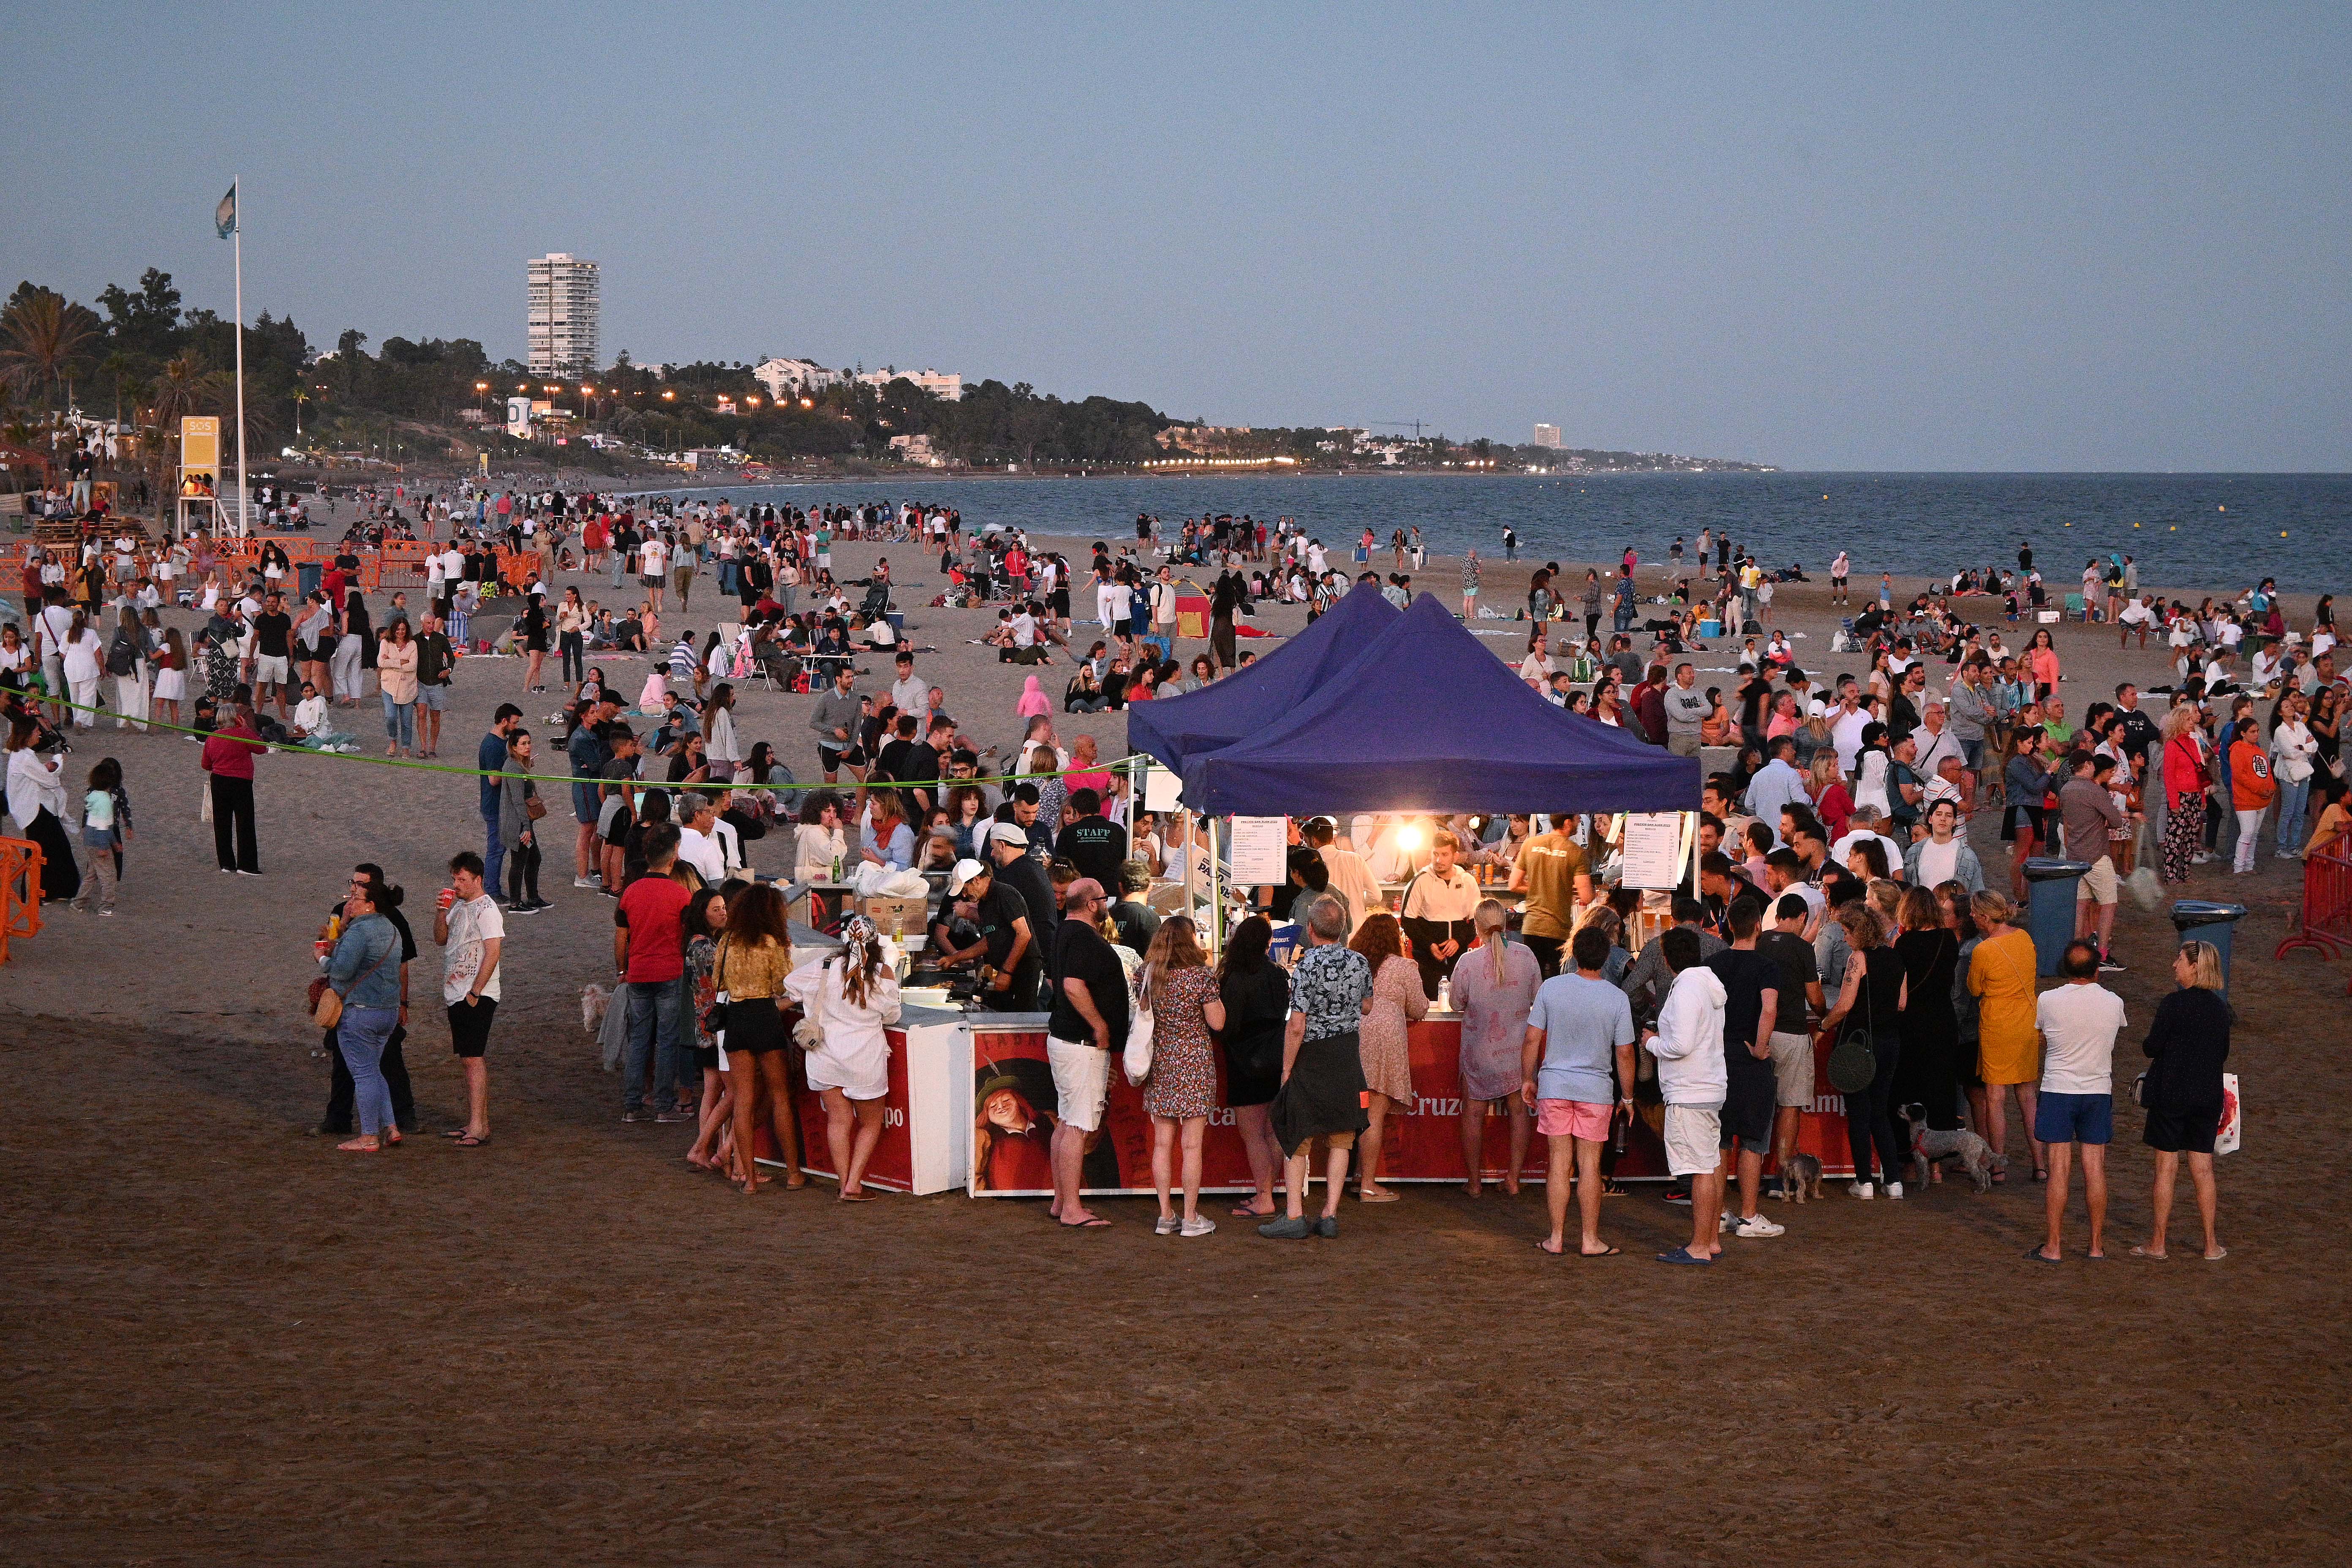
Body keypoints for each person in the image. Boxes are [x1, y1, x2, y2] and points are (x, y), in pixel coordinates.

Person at [1521, 923, 1638, 1255]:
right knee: (1590, 1166)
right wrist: (1627, 1097)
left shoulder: (1551, 988)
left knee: (1559, 1163)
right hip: (1596, 1090)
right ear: (1607, 958)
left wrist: (1527, 1078)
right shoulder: (1617, 998)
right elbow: (1625, 1052)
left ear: (1572, 953)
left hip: (1555, 1085)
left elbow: (1532, 1038)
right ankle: (1590, 1240)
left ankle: (1556, 1238)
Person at [1261, 895, 1373, 1240]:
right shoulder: (1360, 962)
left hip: (1311, 1055)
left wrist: (1285, 1070)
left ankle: (1294, 1216)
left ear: (1310, 930)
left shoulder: (1307, 965)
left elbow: (1296, 1025)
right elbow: (1367, 1006)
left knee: (1299, 1134)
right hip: (1346, 1054)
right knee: (1342, 1137)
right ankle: (1330, 1215)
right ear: (1342, 928)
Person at [787, 913, 902, 1202]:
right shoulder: (883, 972)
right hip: (865, 1058)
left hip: (826, 1057)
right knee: (870, 1124)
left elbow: (791, 983)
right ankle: (854, 1183)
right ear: (876, 942)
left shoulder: (824, 966)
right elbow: (892, 1015)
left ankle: (843, 1184)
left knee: (837, 1122)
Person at [2027, 941, 2126, 1262]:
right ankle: (2096, 1245)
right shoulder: (2114, 1002)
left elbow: (2042, 1037)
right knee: (2095, 1168)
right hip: (2098, 1090)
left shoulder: (2048, 1000)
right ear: (2098, 970)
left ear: (2065, 970)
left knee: (2059, 1169)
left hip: (2059, 1089)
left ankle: (2054, 1246)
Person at [2133, 940, 2231, 1261]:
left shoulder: (2172, 1005)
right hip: (2207, 1096)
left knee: (2166, 1168)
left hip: (2171, 1094)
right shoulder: (2221, 1009)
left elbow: (2151, 1047)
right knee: (2203, 1169)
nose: (2175, 965)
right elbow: (2222, 1054)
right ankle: (2211, 1245)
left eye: (2179, 960)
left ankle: (2158, 1244)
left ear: (2194, 966)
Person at [1045, 877, 1129, 1228]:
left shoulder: (1065, 933)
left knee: (1068, 1123)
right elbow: (1071, 985)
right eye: (1104, 897)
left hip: (1069, 1041)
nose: (1107, 903)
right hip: (1081, 1044)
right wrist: (1100, 1025)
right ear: (1093, 904)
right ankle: (1071, 1208)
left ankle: (1062, 1201)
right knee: (1078, 1126)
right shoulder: (1082, 937)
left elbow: (1058, 981)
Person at [713, 882, 807, 1193]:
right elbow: (783, 986)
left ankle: (750, 1180)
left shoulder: (727, 941)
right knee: (780, 1096)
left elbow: (719, 983)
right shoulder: (771, 942)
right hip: (765, 1016)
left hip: (737, 1017)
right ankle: (794, 1174)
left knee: (743, 1099)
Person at [1645, 927, 1729, 1263]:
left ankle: (1699, 1246)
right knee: (1708, 1166)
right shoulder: (1708, 985)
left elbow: (1679, 1045)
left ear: (1666, 960)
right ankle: (1709, 1242)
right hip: (1709, 1086)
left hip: (1690, 1090)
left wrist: (1650, 1042)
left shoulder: (1685, 990)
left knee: (1698, 1168)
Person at [1816, 900, 1908, 1198]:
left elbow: (1844, 1005)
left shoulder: (1858, 959)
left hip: (1858, 1043)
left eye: (1846, 932)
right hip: (1890, 1040)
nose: (1844, 938)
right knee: (1880, 1111)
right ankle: (1893, 1181)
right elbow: (1902, 1003)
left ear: (1859, 932)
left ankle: (1864, 1181)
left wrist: (1822, 1027)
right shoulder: (1896, 958)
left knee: (1859, 1112)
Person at [1138, 917, 1224, 1237]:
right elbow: (1218, 1023)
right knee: (1192, 1148)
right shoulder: (1201, 978)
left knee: (1162, 1144)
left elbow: (1144, 1015)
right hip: (1196, 1067)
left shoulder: (1147, 976)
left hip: (1161, 1064)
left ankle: (1165, 1216)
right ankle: (1190, 1218)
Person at [1452, 899, 1541, 1197]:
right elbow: (1538, 999)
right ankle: (1513, 1179)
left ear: (1477, 927)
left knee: (1473, 1115)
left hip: (1479, 1052)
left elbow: (1455, 1003)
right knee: (1519, 1114)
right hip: (1517, 1050)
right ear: (1506, 925)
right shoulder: (1526, 956)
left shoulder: (1468, 962)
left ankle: (1475, 1184)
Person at [1707, 897, 1785, 1236]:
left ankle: (1720, 1213)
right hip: (1749, 1059)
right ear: (1758, 926)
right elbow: (1769, 1009)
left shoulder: (1712, 964)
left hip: (1717, 1058)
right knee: (1753, 1138)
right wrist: (1761, 1046)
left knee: (1721, 1139)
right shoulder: (1767, 967)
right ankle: (1750, 1216)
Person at [613, 822, 696, 1126]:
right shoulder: (681, 896)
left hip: (638, 973)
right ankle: (663, 1105)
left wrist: (622, 969)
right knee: (667, 1040)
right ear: (674, 855)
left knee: (639, 1040)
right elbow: (687, 935)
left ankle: (632, 1105)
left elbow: (621, 938)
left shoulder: (631, 893)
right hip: (669, 972)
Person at [322, 877, 405, 1153]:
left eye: (356, 899)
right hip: (388, 1012)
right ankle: (390, 1127)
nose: (351, 902)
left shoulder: (360, 932)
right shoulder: (392, 929)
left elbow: (342, 970)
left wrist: (321, 959)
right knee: (374, 1070)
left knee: (364, 1074)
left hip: (361, 1013)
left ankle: (369, 1136)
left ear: (370, 905)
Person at [1217, 915, 1292, 1220]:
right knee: (1272, 1133)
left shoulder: (1234, 977)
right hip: (1277, 1056)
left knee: (1252, 1134)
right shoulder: (1278, 973)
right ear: (1267, 943)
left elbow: (1227, 1026)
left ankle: (1264, 1197)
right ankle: (1268, 1193)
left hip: (1245, 1062)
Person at [1966, 889, 2044, 1182]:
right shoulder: (2024, 938)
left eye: (1974, 912)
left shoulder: (1983, 950)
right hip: (2027, 1023)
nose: (1971, 916)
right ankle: (2040, 1164)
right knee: (2027, 1097)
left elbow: (1975, 989)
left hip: (1997, 1026)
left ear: (1986, 917)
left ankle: (1998, 1166)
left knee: (1996, 1099)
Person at [1349, 913, 1427, 1202]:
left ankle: (1359, 1177)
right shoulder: (1404, 966)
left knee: (1358, 1111)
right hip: (1385, 1039)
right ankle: (1369, 1186)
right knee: (1374, 1114)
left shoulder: (1352, 963)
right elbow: (1420, 1008)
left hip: (1352, 1036)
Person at [434, 852, 504, 1147]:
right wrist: (441, 912)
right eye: (455, 878)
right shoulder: (459, 907)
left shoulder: (488, 910)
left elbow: (494, 951)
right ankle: (478, 1122)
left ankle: (479, 1126)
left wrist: (475, 991)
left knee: (473, 1059)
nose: (457, 884)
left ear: (478, 880)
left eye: (462, 879)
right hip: (458, 992)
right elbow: (441, 939)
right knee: (468, 1059)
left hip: (476, 994)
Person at [1398, 828, 1479, 999]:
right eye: (1435, 854)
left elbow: (1476, 922)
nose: (1438, 860)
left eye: (1444, 855)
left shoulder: (1468, 881)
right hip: (1427, 960)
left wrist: (1459, 941)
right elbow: (1408, 922)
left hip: (1459, 959)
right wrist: (1430, 945)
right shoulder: (1420, 880)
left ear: (1455, 856)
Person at [200, 702, 264, 875]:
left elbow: (206, 764)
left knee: (222, 823)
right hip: (241, 782)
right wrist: (246, 729)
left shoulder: (212, 737)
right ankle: (247, 865)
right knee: (245, 823)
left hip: (219, 781)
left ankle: (226, 863)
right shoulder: (242, 735)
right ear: (236, 718)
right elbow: (261, 748)